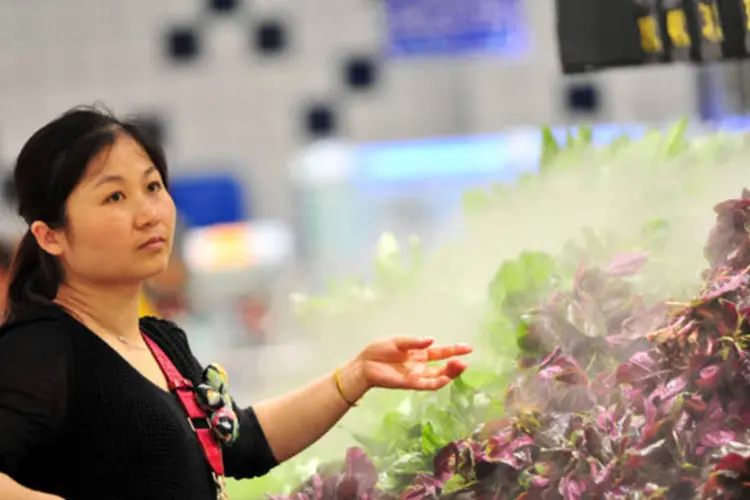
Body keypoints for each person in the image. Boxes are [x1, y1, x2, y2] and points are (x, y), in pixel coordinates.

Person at [0, 106, 472, 500]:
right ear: (51, 235)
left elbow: (235, 443)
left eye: (152, 187)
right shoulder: (41, 350)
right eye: (115, 196)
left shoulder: (160, 342)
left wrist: (354, 376)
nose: (148, 214)